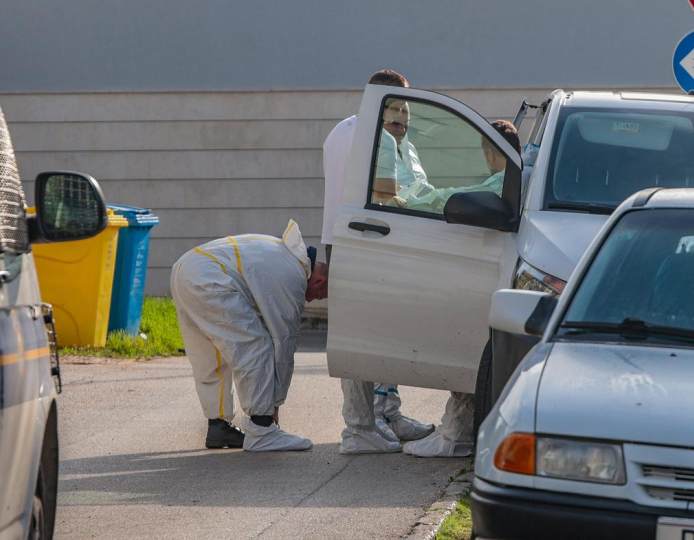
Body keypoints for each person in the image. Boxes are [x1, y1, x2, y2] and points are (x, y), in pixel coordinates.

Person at [320, 69, 436, 455]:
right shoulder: (377, 138)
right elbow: (389, 195)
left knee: (375, 333)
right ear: (382, 102)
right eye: (398, 106)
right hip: (371, 243)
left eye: (406, 109)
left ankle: (384, 416)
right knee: (367, 336)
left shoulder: (341, 130)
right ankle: (362, 425)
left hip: (340, 241)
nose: (403, 116)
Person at [402, 120, 521, 458]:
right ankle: (456, 431)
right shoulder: (517, 177)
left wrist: (408, 197)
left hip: (487, 277)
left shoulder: (501, 181)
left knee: (462, 345)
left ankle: (454, 435)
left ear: (490, 153)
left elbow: (448, 200)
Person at [171, 220, 329, 452]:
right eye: (317, 295)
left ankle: (219, 427)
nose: (311, 300)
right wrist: (274, 405)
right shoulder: (294, 274)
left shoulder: (284, 254)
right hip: (209, 276)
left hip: (186, 268)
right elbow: (284, 341)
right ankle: (262, 430)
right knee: (257, 346)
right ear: (318, 280)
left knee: (210, 353)